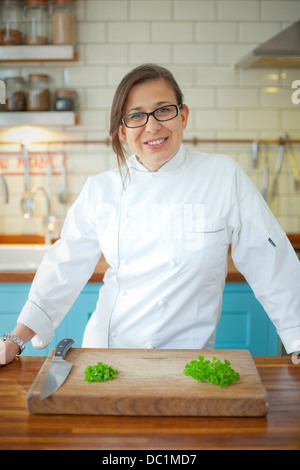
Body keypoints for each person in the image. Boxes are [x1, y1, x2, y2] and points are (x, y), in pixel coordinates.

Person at [1, 63, 300, 366]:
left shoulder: (223, 176)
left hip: (189, 359)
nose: (152, 126)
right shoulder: (102, 189)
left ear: (183, 116)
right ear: (122, 130)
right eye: (136, 116)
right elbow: (64, 267)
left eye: (163, 111)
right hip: (110, 353)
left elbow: (270, 260)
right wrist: (15, 338)